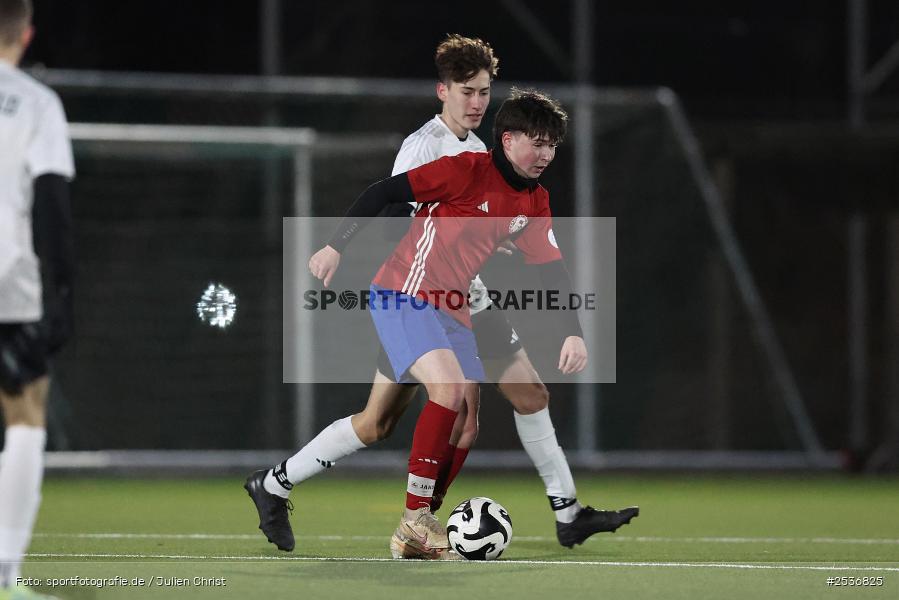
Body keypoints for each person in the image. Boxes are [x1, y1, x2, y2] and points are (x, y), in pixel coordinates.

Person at [245, 36, 637, 558]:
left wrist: (571, 326)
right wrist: (336, 246)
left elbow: (546, 262)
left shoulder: (496, 164)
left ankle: (278, 485)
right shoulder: (437, 153)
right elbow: (389, 200)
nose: (477, 101)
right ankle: (416, 521)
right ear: (444, 91)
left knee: (404, 420)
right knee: (447, 400)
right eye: (468, 91)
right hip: (410, 290)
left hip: (460, 299)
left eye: (484, 92)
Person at [0, 0, 75, 597]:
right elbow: (50, 204)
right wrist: (63, 293)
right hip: (11, 284)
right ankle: (4, 574)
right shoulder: (36, 103)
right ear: (25, 34)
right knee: (24, 415)